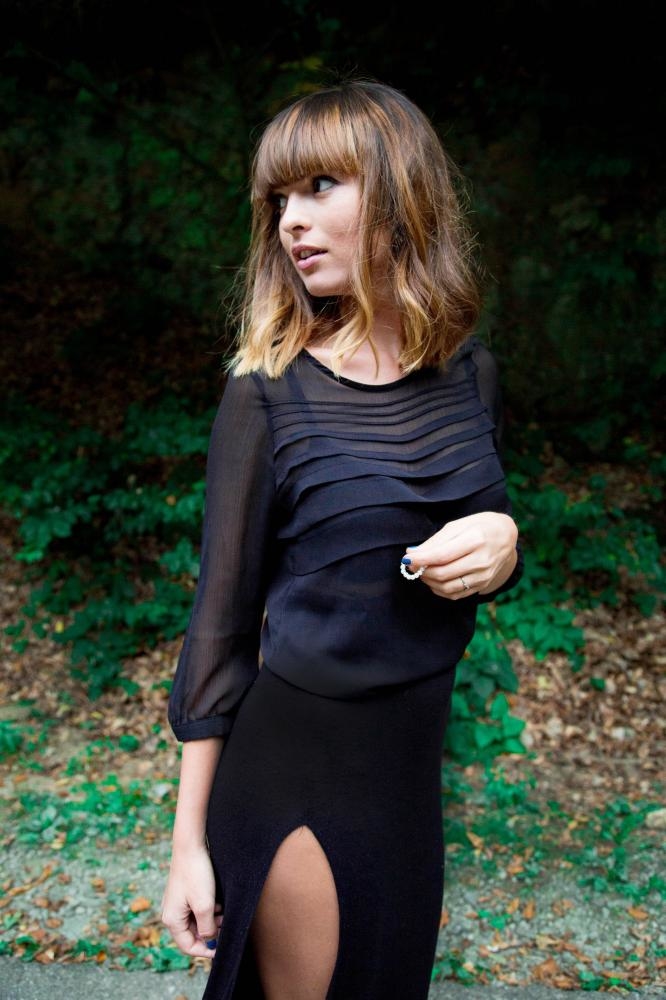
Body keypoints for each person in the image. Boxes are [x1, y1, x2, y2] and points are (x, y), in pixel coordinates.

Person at [161, 77, 523, 1000]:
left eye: (321, 185)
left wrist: (505, 546)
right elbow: (218, 627)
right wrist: (187, 846)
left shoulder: (470, 375)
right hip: (296, 775)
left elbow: (469, 551)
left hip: (410, 779)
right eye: (279, 198)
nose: (291, 218)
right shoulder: (267, 391)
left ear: (402, 193)